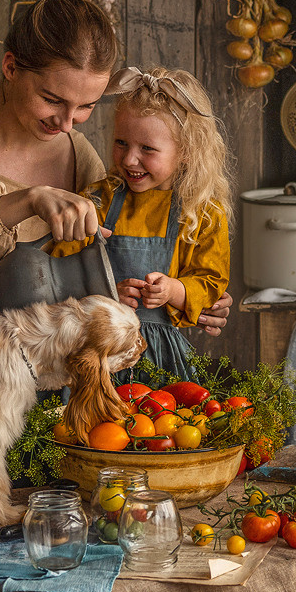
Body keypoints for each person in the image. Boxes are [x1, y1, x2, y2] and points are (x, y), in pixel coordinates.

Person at [0, 0, 233, 334]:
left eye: (86, 106)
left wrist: (189, 297)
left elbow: (105, 267)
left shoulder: (80, 158)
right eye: (52, 99)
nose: (67, 124)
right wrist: (27, 200)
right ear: (11, 67)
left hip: (39, 349)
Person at [52, 65, 233, 380]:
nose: (128, 159)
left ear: (186, 152)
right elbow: (59, 269)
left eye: (147, 149)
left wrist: (174, 290)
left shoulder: (202, 213)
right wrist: (105, 294)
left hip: (161, 356)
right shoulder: (97, 200)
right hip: (97, 351)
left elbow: (211, 283)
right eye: (121, 142)